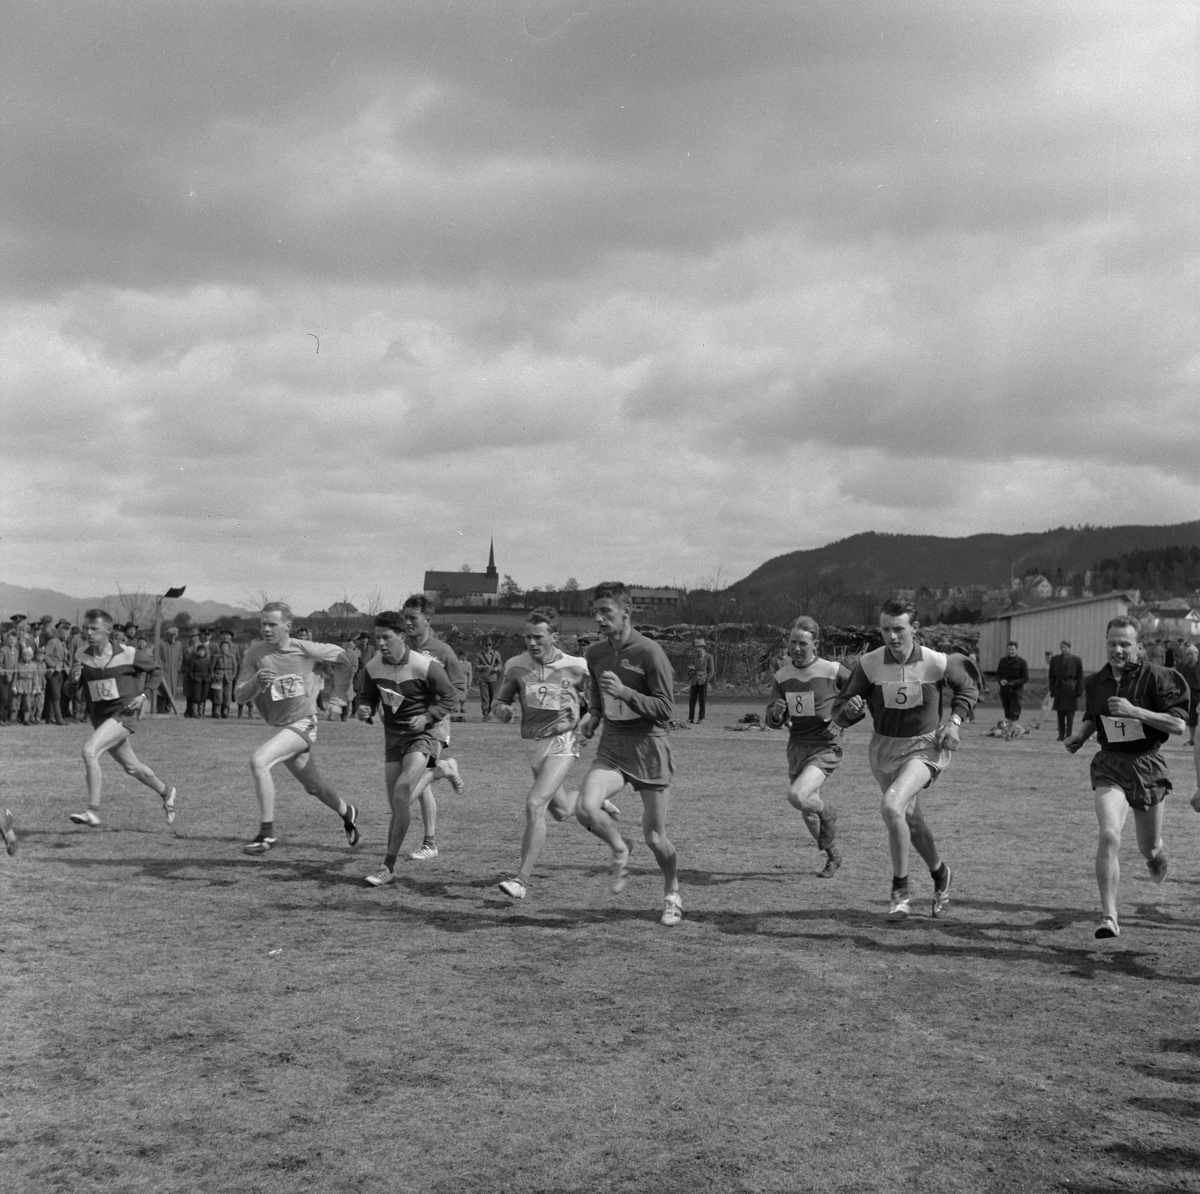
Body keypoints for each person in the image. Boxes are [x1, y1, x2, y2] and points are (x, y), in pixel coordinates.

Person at [831, 598, 978, 921]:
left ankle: (900, 892)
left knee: (891, 806)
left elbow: (968, 685)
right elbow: (840, 711)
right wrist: (851, 711)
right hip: (884, 749)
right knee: (910, 819)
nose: (892, 636)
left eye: (899, 629)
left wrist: (954, 722)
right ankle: (941, 873)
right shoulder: (869, 664)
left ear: (915, 628)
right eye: (885, 629)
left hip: (925, 746)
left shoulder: (936, 662)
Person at [1065, 616, 1188, 939]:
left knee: (1147, 847)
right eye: (1112, 643)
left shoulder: (1159, 679)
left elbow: (1178, 726)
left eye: (1125, 644)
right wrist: (1080, 736)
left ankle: (1156, 854)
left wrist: (1136, 711)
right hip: (1110, 765)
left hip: (1147, 765)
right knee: (1109, 835)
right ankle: (1109, 916)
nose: (1117, 650)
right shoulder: (1096, 683)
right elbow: (1095, 715)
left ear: (1139, 646)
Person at [492, 608, 621, 900]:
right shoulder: (515, 665)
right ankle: (595, 799)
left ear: (554, 636)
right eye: (527, 637)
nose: (532, 643)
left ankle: (521, 880)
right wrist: (503, 711)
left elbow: (598, 700)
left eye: (538, 637)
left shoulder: (578, 666)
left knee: (535, 803)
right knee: (561, 810)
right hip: (533, 746)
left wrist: (590, 723)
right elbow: (499, 702)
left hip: (564, 742)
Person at [574, 582, 683, 927]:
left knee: (655, 837)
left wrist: (625, 693)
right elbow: (595, 687)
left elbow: (666, 708)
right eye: (596, 612)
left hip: (649, 746)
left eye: (606, 611)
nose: (599, 618)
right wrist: (593, 714)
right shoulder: (594, 654)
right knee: (585, 808)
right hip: (613, 744)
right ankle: (621, 848)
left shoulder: (650, 653)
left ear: (626, 611)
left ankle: (672, 892)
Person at [233, 602, 358, 856]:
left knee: (259, 761)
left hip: (305, 723)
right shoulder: (255, 653)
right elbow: (238, 695)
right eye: (262, 624)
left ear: (287, 626)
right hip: (283, 727)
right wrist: (257, 682)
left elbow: (346, 660)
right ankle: (347, 812)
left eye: (272, 624)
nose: (266, 629)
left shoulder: (306, 649)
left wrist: (338, 698)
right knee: (314, 787)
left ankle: (266, 833)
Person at [356, 612, 458, 887]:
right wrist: (364, 707)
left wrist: (427, 717)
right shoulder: (374, 666)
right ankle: (439, 772)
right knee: (398, 804)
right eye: (377, 638)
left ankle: (387, 866)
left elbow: (451, 696)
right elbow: (367, 695)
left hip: (421, 736)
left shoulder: (424, 666)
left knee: (402, 791)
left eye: (386, 637)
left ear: (402, 636)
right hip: (392, 739)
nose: (381, 643)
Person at [765, 617, 864, 878]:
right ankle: (834, 857)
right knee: (807, 812)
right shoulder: (782, 676)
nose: (796, 648)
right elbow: (772, 720)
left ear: (815, 644)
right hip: (797, 747)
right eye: (792, 642)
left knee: (797, 796)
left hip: (825, 747)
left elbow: (859, 697)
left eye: (803, 643)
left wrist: (842, 721)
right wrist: (776, 714)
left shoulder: (832, 670)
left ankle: (829, 812)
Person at [66, 608, 177, 828]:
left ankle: (93, 811)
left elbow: (157, 671)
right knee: (133, 768)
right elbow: (70, 691)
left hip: (124, 713)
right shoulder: (81, 655)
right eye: (86, 628)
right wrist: (74, 680)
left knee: (89, 751)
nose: (88, 633)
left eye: (94, 629)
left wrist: (143, 695)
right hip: (100, 718)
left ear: (108, 630)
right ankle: (167, 793)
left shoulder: (128, 653)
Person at [400, 595, 467, 860]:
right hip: (407, 723)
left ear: (428, 620)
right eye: (403, 617)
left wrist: (438, 706)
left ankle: (444, 769)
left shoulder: (442, 651)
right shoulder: (400, 648)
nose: (406, 623)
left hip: (436, 723)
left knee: (418, 780)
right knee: (421, 783)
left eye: (412, 618)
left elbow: (460, 688)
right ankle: (430, 843)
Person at [1047, 640, 1085, 741]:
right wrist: (1052, 689)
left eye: (1065, 647)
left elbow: (1080, 676)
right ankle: (1061, 734)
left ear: (1069, 648)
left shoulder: (1076, 660)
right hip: (1059, 687)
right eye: (1062, 647)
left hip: (1070, 688)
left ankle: (1068, 734)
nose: (1063, 649)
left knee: (1069, 713)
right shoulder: (1055, 660)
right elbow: (1051, 676)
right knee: (1060, 713)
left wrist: (1079, 690)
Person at [994, 642, 1028, 722]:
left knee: (1014, 712)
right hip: (1005, 689)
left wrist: (1014, 683)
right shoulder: (1002, 661)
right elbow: (998, 674)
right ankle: (1007, 729)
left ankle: (1012, 728)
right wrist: (1000, 681)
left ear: (1016, 650)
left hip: (1016, 690)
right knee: (1007, 711)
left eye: (1012, 650)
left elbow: (1025, 678)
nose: (1010, 651)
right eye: (1009, 649)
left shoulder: (1022, 662)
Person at [687, 637, 716, 723]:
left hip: (703, 681)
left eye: (698, 647)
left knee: (702, 701)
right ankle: (690, 718)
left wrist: (706, 679)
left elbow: (711, 670)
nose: (696, 648)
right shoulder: (695, 657)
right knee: (692, 701)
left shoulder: (709, 657)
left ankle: (700, 718)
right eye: (696, 647)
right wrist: (690, 672)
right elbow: (691, 666)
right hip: (694, 681)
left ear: (702, 647)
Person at [475, 640, 502, 721]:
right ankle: (485, 713)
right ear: (483, 645)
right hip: (483, 678)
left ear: (491, 645)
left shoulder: (496, 653)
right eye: (486, 645)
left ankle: (490, 712)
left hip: (493, 678)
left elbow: (500, 663)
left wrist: (497, 668)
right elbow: (476, 666)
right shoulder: (479, 654)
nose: (488, 647)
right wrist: (483, 667)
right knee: (485, 697)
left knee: (492, 697)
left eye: (489, 645)